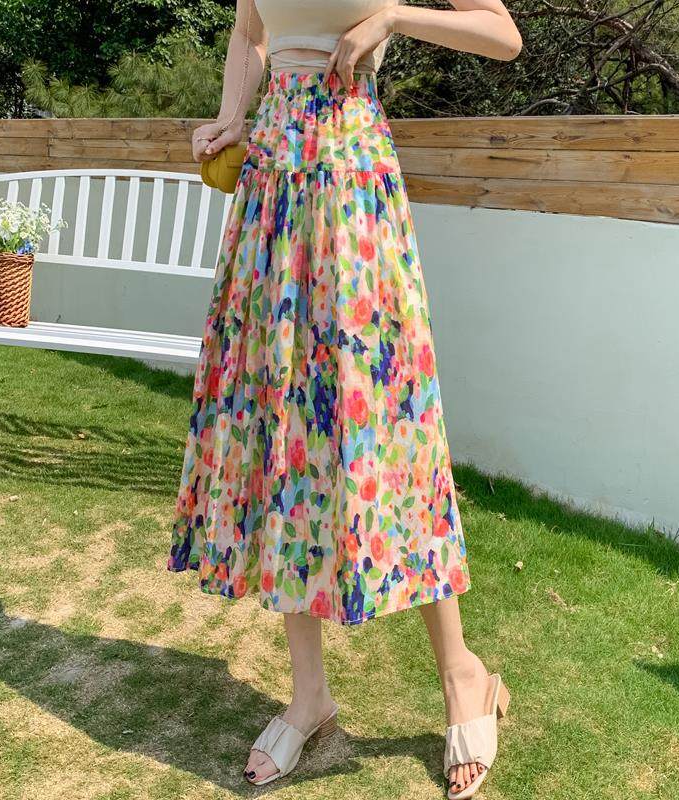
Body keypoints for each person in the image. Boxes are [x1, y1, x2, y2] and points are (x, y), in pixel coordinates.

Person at [169, 1, 522, 797]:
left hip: (353, 183)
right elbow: (250, 32)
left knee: (389, 423)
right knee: (280, 423)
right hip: (272, 184)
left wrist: (393, 17)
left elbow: (502, 36)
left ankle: (462, 673)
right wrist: (231, 116)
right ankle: (310, 695)